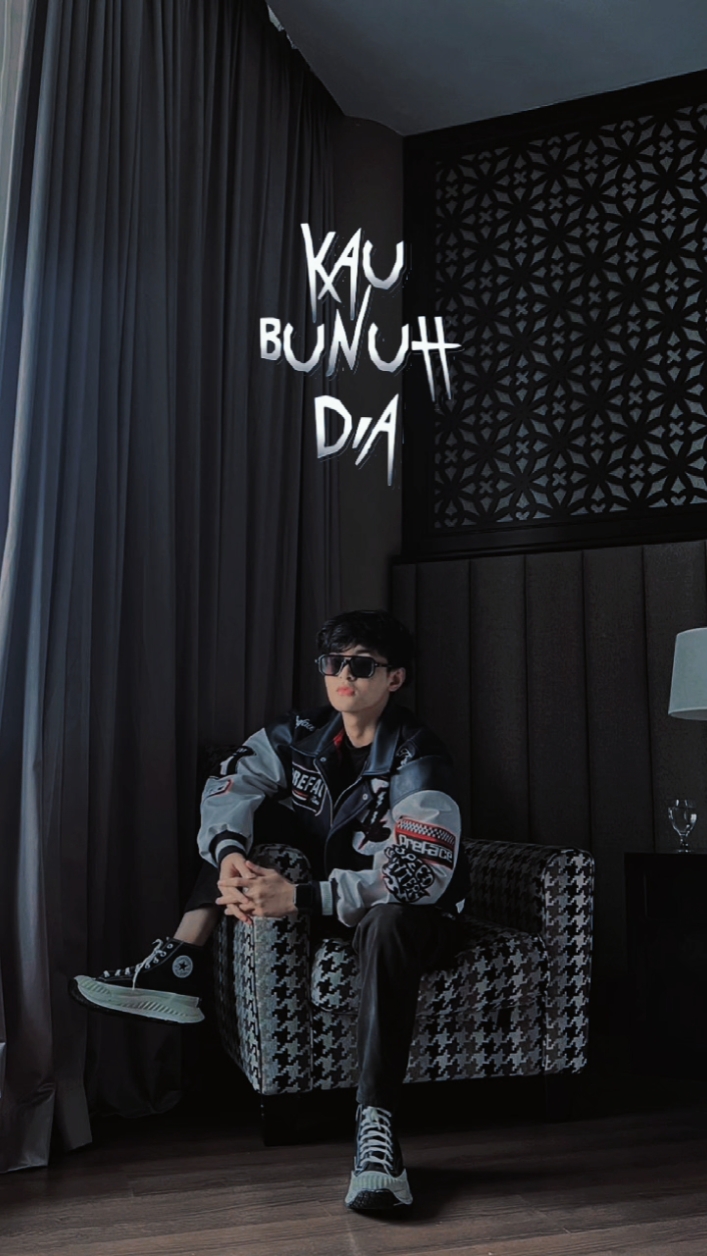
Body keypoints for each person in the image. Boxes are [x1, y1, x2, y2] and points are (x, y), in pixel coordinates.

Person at [71, 610, 469, 1212]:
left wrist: (302, 897)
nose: (344, 676)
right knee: (246, 830)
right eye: (334, 663)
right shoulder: (299, 732)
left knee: (389, 920)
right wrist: (230, 855)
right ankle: (180, 960)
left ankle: (377, 1133)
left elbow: (420, 878)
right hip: (335, 899)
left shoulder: (420, 756)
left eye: (362, 666)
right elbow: (230, 781)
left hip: (416, 919)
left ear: (395, 678)